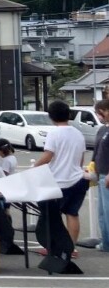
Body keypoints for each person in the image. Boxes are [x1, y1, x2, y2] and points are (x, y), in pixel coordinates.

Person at [33, 100, 88, 258]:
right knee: (72, 214)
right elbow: (81, 159)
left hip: (57, 181)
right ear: (68, 114)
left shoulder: (54, 133)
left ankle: (53, 247)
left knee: (52, 216)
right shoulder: (78, 133)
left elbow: (48, 156)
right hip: (78, 179)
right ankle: (72, 248)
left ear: (51, 116)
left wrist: (34, 167)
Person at [91, 99, 109, 252]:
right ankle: (105, 242)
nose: (99, 116)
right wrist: (91, 167)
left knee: (107, 211)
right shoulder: (102, 129)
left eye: (100, 113)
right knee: (102, 212)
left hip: (107, 175)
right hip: (100, 174)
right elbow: (96, 151)